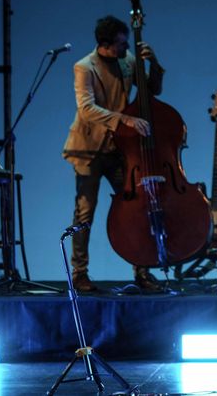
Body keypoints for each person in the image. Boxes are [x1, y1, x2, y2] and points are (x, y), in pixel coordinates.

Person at [62, 15, 164, 293]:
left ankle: (142, 272)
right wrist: (126, 119)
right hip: (88, 150)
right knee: (85, 212)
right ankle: (79, 273)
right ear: (104, 45)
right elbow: (86, 108)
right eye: (120, 44)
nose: (125, 47)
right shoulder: (84, 67)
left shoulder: (127, 60)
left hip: (118, 148)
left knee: (138, 206)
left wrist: (153, 64)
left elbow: (151, 90)